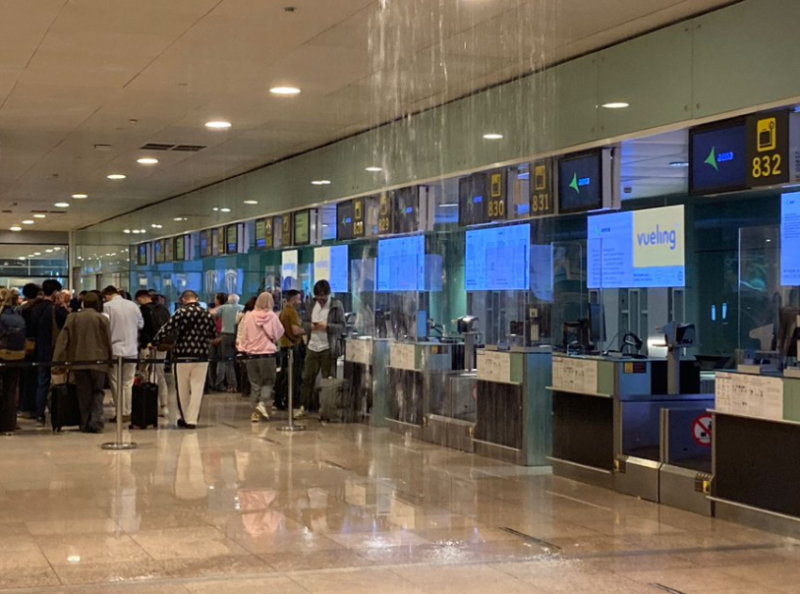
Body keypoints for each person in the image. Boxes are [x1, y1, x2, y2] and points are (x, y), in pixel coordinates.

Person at [152, 290, 216, 429]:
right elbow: (212, 334)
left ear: (183, 300)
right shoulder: (206, 314)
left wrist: (155, 341)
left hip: (182, 355)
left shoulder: (180, 313)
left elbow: (166, 329)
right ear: (196, 298)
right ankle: (192, 419)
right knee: (197, 388)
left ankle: (185, 417)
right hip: (202, 355)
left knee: (182, 388)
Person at [53, 292, 112, 433]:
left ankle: (84, 422)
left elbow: (63, 340)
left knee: (83, 393)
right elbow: (107, 341)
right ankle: (96, 421)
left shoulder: (72, 317)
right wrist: (109, 360)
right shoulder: (102, 319)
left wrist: (58, 361)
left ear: (83, 303)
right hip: (99, 361)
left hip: (78, 360)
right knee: (98, 391)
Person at [297, 280, 345, 418]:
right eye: (319, 297)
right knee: (307, 378)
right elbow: (304, 322)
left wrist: (327, 326)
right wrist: (310, 326)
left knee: (327, 380)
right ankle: (304, 406)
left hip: (328, 347)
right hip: (312, 346)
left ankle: (326, 409)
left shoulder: (336, 305)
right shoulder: (311, 304)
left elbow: (342, 327)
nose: (321, 300)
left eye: (324, 297)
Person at [237, 292, 284, 423]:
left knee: (255, 383)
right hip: (267, 354)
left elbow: (244, 335)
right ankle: (262, 404)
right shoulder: (272, 317)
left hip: (252, 355)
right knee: (268, 381)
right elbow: (279, 333)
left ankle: (255, 412)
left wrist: (243, 349)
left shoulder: (249, 316)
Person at [28, 279, 68, 427]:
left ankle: (39, 414)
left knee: (41, 382)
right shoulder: (56, 309)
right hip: (54, 349)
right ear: (56, 292)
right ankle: (58, 411)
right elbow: (67, 322)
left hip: (39, 349)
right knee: (59, 381)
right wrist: (63, 306)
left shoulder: (34, 308)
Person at [102, 286, 144, 423]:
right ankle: (128, 411)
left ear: (108, 295)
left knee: (115, 383)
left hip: (115, 349)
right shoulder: (133, 305)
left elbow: (104, 326)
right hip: (132, 349)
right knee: (128, 382)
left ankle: (119, 412)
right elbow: (140, 325)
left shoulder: (107, 306)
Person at [135, 289, 171, 416]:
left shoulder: (143, 310)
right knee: (159, 374)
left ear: (141, 298)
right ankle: (164, 406)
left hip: (147, 345)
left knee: (146, 374)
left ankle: (150, 404)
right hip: (162, 346)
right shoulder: (162, 309)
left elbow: (141, 329)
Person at [0, 288, 26, 435]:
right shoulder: (19, 316)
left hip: (2, 355)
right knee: (11, 391)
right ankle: (10, 423)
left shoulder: (1, 317)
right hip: (18, 356)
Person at [276, 290, 305, 411]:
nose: (300, 302)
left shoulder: (283, 312)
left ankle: (279, 399)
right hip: (292, 346)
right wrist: (309, 329)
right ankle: (292, 401)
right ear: (293, 299)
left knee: (284, 375)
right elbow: (295, 330)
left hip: (284, 345)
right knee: (294, 376)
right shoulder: (292, 312)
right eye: (298, 299)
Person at [17, 283, 41, 420]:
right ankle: (34, 406)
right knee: (35, 378)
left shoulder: (20, 309)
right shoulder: (39, 308)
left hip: (23, 345)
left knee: (23, 378)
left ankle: (23, 405)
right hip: (37, 345)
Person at [214, 294, 243, 393]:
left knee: (227, 361)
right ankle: (239, 384)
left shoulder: (222, 308)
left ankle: (232, 385)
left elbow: (213, 315)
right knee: (239, 361)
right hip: (239, 336)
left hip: (225, 335)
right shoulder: (242, 308)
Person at [236, 297, 257, 398]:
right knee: (249, 368)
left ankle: (244, 388)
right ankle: (247, 388)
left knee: (244, 368)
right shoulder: (251, 317)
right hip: (247, 344)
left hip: (240, 343)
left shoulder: (241, 315)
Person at [207, 292, 227, 390]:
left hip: (220, 335)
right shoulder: (213, 312)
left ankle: (217, 383)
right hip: (214, 335)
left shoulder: (223, 311)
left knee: (220, 361)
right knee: (213, 361)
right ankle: (214, 383)